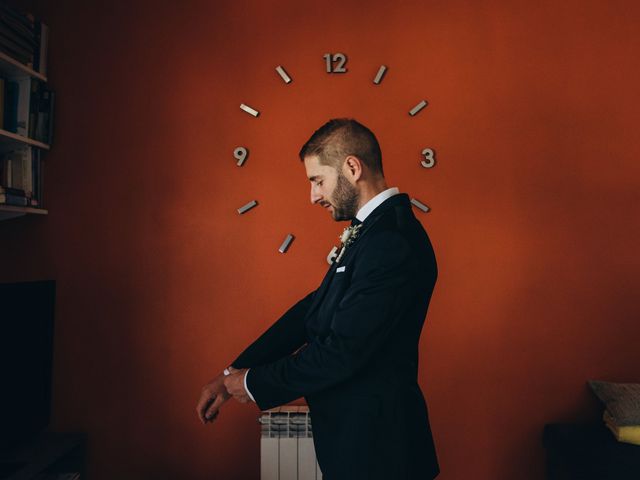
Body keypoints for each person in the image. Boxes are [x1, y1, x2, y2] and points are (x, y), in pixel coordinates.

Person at [196, 118, 440, 479]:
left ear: (352, 167)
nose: (313, 195)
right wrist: (232, 373)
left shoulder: (391, 241)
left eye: (317, 180)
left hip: (380, 453)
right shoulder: (371, 232)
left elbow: (341, 352)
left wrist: (251, 383)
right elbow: (314, 308)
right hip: (355, 447)